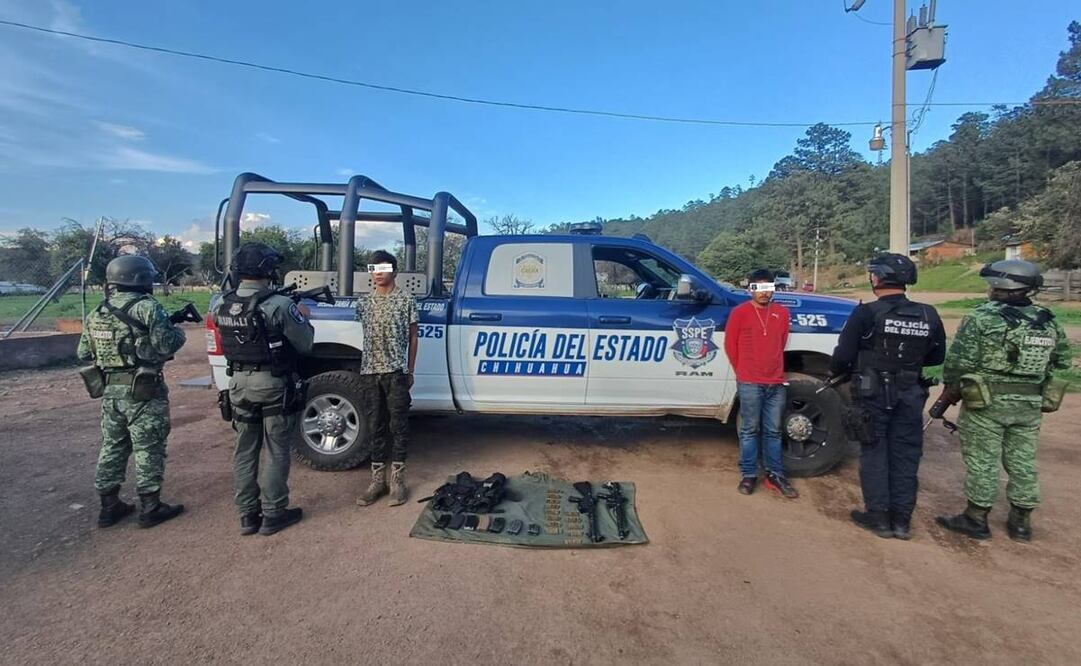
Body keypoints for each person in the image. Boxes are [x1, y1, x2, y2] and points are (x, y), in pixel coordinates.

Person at [935, 260, 1070, 542]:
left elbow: (959, 363)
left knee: (983, 461)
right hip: (1029, 405)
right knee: (1023, 461)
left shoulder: (981, 318)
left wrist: (952, 390)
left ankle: (976, 519)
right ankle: (1021, 523)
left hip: (986, 403)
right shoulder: (1048, 321)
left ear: (1001, 285)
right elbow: (1062, 362)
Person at [829, 253, 946, 540]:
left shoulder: (865, 313)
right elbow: (936, 355)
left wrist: (843, 370)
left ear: (877, 278)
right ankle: (902, 522)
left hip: (873, 394)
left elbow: (842, 357)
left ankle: (878, 518)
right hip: (910, 394)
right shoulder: (928, 314)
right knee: (906, 455)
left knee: (874, 453)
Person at [77, 255, 187, 529]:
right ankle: (151, 507)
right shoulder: (148, 308)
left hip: (110, 390)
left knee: (112, 445)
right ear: (141, 279)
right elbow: (166, 346)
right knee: (148, 446)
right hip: (144, 389)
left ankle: (109, 506)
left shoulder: (98, 311)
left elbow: (82, 352)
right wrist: (177, 332)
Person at [214, 243, 314, 536]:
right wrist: (303, 314)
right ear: (268, 270)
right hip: (271, 384)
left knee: (244, 450)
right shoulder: (280, 305)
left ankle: (247, 516)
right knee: (275, 448)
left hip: (237, 384)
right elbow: (305, 344)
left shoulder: (222, 303)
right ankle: (273, 513)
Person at [724, 268, 799, 498]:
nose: (764, 293)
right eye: (759, 288)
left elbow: (782, 341)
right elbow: (730, 345)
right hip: (749, 382)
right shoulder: (739, 313)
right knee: (749, 430)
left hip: (775, 382)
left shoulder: (782, 313)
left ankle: (775, 474)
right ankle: (748, 475)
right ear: (751, 289)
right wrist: (743, 372)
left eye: (769, 288)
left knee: (774, 431)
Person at [355, 250, 418, 507]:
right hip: (370, 372)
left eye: (382, 267)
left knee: (399, 426)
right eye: (373, 268)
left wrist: (410, 370)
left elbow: (414, 336)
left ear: (393, 270)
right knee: (375, 426)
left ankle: (398, 481)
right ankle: (377, 481)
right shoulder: (364, 303)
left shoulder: (406, 301)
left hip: (396, 372)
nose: (378, 273)